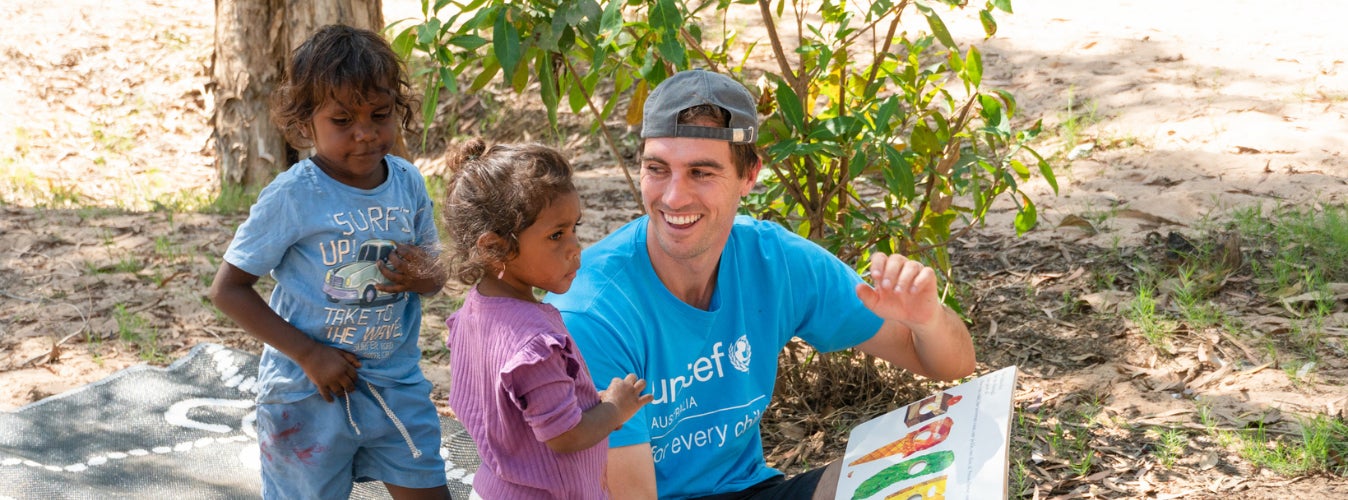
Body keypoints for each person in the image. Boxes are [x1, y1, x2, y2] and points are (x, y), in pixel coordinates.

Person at [544, 69, 977, 499]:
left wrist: (926, 320)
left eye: (701, 172)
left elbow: (951, 364)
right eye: (658, 168)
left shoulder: (774, 262)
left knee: (928, 469)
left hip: (747, 490)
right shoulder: (591, 311)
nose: (674, 197)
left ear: (749, 176)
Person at [208, 25, 450, 500]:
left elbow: (436, 272)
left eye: (380, 115)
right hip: (307, 394)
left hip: (394, 384)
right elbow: (228, 290)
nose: (365, 134)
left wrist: (424, 274)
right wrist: (309, 354)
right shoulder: (294, 195)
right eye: (341, 121)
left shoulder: (407, 182)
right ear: (305, 125)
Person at [441, 139, 654, 498]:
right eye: (556, 235)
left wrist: (591, 406)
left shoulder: (472, 313)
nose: (574, 247)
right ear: (495, 248)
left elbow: (519, 410)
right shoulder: (534, 344)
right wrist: (615, 410)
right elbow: (565, 435)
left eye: (575, 228)